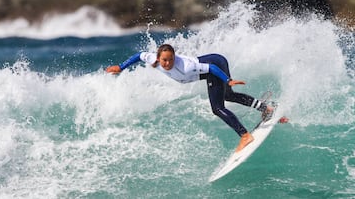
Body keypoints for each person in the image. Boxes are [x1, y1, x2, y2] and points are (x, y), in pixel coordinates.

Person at [106, 44, 287, 152]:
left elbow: (211, 70)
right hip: (213, 63)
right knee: (228, 96)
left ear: (174, 57)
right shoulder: (153, 58)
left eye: (170, 60)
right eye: (164, 61)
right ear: (159, 58)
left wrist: (228, 80)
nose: (167, 64)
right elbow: (138, 55)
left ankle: (245, 135)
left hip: (215, 65)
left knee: (217, 107)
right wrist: (121, 67)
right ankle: (267, 109)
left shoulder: (186, 67)